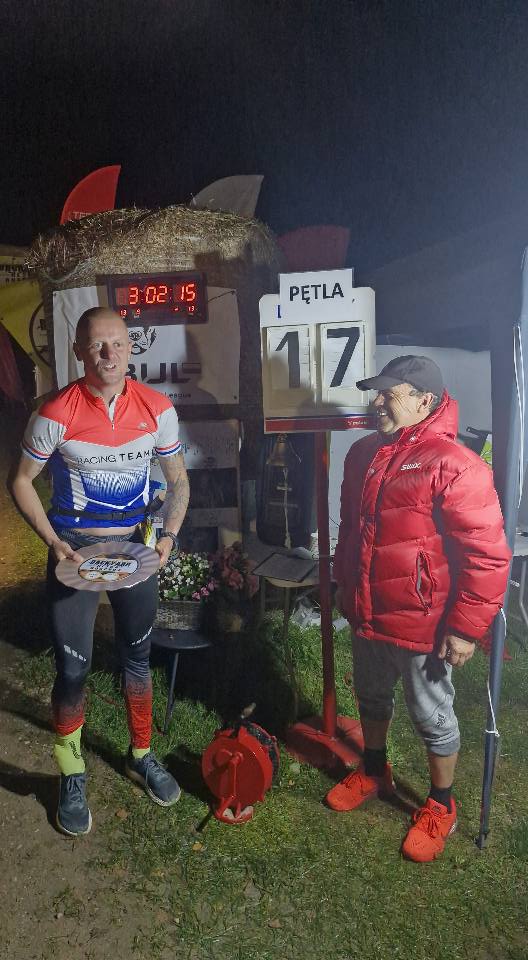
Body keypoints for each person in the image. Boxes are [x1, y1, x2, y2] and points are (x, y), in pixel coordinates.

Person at [9, 307, 190, 837]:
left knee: (138, 659)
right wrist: (53, 542)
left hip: (136, 550)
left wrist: (169, 536)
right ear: (79, 352)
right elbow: (20, 480)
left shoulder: (157, 408)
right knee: (73, 670)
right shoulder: (55, 411)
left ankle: (141, 755)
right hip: (76, 554)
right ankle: (71, 771)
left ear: (131, 348)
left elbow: (178, 480)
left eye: (117, 344)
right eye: (96, 345)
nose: (109, 355)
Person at [327, 355, 511, 862]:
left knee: (431, 714)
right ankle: (374, 769)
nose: (376, 402)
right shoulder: (362, 454)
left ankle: (441, 804)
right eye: (376, 392)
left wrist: (466, 629)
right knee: (370, 697)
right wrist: (344, 583)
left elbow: (487, 554)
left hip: (423, 621)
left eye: (389, 394)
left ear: (425, 401)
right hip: (368, 610)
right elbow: (351, 530)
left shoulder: (455, 464)